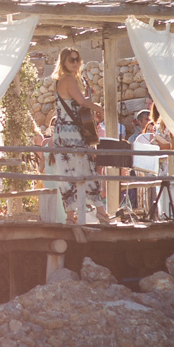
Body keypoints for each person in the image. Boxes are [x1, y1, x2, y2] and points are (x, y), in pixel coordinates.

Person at [50, 47, 107, 224]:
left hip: (62, 132)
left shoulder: (63, 80)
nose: (75, 63)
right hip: (72, 133)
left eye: (77, 59)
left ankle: (70, 216)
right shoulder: (68, 79)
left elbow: (77, 102)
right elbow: (82, 102)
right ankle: (100, 211)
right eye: (71, 60)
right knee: (87, 168)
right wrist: (100, 109)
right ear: (64, 62)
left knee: (68, 173)